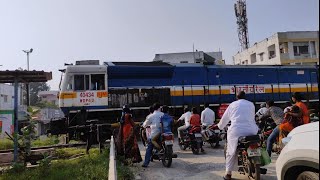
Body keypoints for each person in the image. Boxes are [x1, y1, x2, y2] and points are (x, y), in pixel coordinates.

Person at [217, 91, 259, 180]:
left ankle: (228, 173)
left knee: (230, 151)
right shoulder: (251, 104)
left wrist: (220, 126)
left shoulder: (232, 105)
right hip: (252, 130)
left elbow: (224, 119)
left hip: (236, 130)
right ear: (245, 97)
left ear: (237, 97)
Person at [142, 103, 163, 168]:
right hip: (163, 133)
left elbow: (145, 125)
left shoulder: (151, 116)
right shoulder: (163, 114)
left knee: (149, 147)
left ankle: (146, 163)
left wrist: (143, 125)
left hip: (155, 133)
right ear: (159, 108)